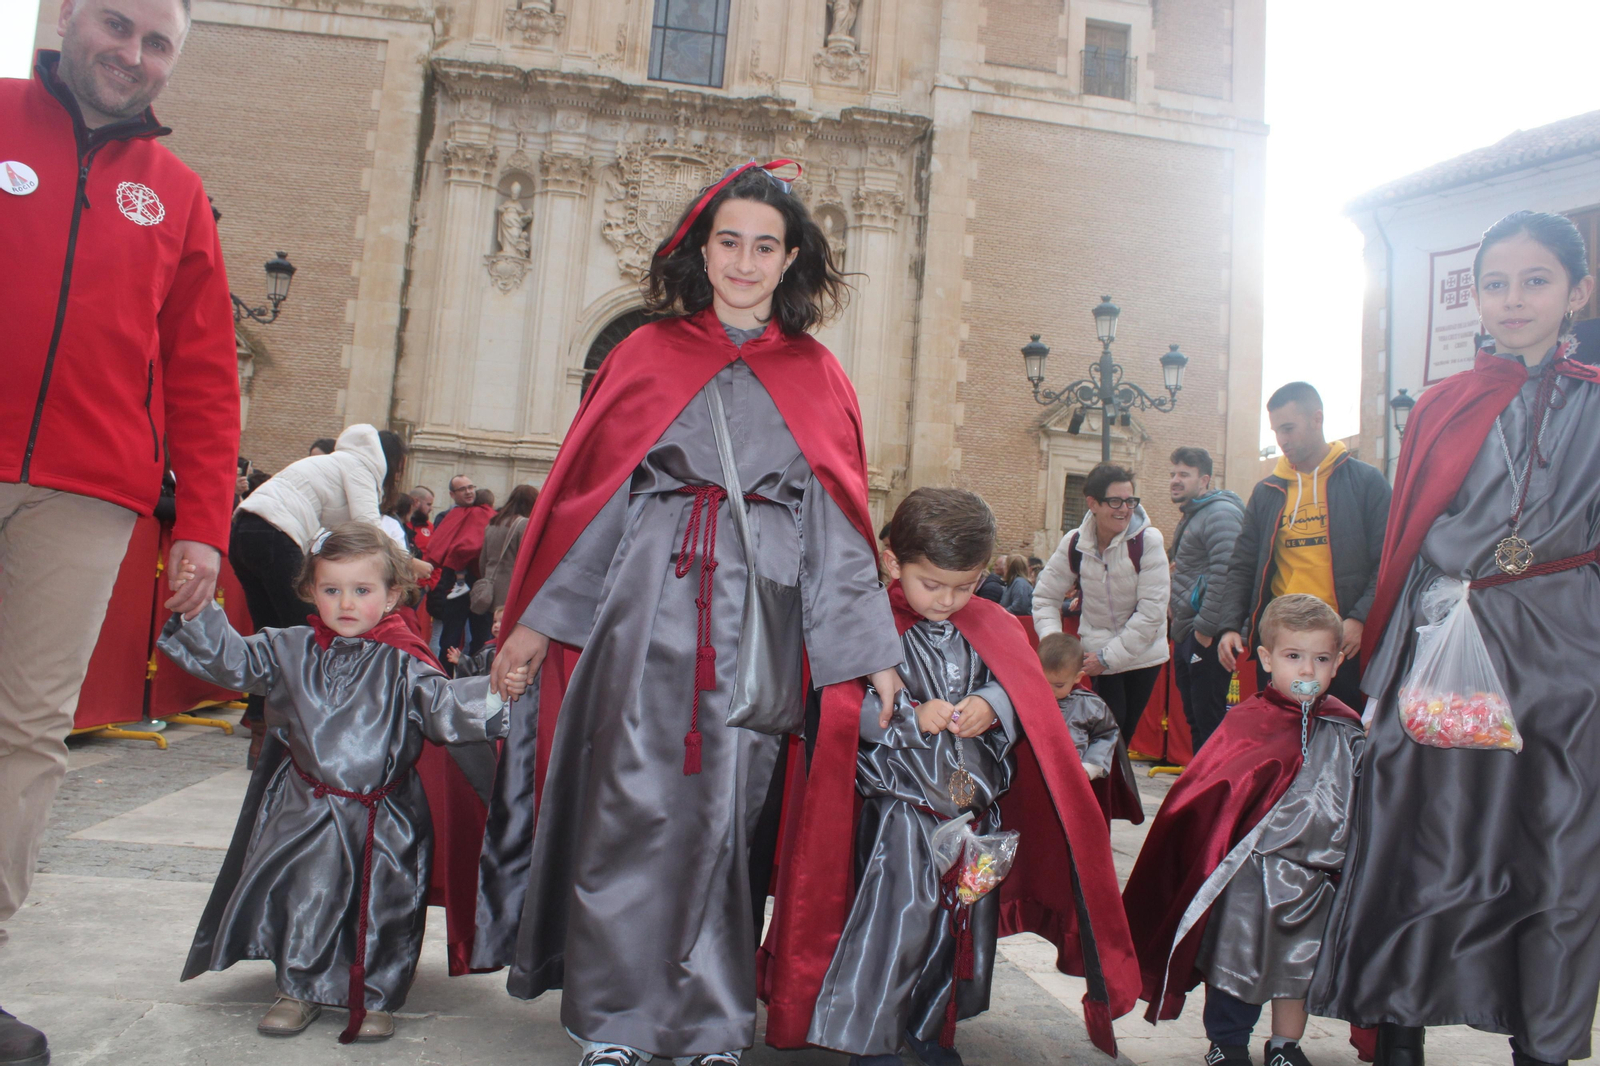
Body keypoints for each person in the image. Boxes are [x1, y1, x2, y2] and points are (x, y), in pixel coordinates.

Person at [477, 159, 911, 1066]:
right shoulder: (646, 353)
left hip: (760, 619)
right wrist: (534, 621)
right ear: (701, 249)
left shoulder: (820, 375)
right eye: (730, 243)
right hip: (645, 607)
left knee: (727, 821)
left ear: (791, 258)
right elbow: (594, 505)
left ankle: (711, 1021)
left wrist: (871, 649)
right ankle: (612, 1019)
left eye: (765, 246)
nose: (745, 263)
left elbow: (835, 520)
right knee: (628, 807)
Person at [1, 0, 240, 1057]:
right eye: (116, 25)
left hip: (90, 494)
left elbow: (202, 370)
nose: (131, 54)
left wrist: (205, 523)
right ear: (63, 21)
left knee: (23, 737)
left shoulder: (180, 196)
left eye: (156, 44)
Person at [1308, 211, 1600, 1066]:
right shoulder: (1440, 405)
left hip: (1566, 659)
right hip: (1444, 651)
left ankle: (1539, 1046)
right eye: (1496, 283)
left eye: (1536, 280)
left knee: (1554, 850)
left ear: (1577, 291)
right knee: (1417, 838)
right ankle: (1399, 1034)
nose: (1514, 299)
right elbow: (1408, 540)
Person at [157, 523, 529, 1043]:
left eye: (362, 590)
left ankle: (374, 995)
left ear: (392, 595)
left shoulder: (404, 661)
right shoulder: (288, 648)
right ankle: (299, 988)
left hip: (386, 813)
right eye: (331, 590)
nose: (346, 603)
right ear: (310, 590)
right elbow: (234, 661)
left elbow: (446, 710)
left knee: (385, 904)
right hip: (305, 807)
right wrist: (198, 613)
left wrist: (499, 693)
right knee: (304, 895)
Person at [807, 489, 1138, 1065]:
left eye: (965, 585)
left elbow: (1025, 688)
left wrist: (996, 702)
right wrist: (909, 717)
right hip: (900, 809)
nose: (947, 600)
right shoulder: (869, 623)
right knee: (896, 921)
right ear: (893, 563)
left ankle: (932, 1029)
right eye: (931, 584)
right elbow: (839, 705)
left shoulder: (993, 624)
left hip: (975, 812)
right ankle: (872, 1037)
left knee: (956, 924)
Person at [1124, 595, 1364, 1066]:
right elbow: (1205, 793)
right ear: (1268, 659)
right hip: (1250, 879)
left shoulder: (1346, 727)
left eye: (1320, 659)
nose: (1307, 671)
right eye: (1294, 657)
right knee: (1236, 965)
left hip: (1316, 879)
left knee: (1299, 967)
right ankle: (1227, 1043)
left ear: (1338, 662)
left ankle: (1285, 1046)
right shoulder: (1247, 723)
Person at [229, 424, 408, 760]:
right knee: (307, 637)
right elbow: (369, 528)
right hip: (275, 532)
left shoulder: (333, 464)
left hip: (244, 528)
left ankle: (262, 732)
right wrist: (408, 565)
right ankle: (308, 730)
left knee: (273, 637)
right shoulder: (358, 466)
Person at [1212, 384, 1390, 711]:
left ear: (1317, 419)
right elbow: (1242, 565)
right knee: (1282, 737)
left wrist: (1360, 618)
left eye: (1288, 428)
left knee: (1341, 734)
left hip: (1342, 642)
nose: (1281, 439)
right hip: (1282, 641)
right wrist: (1228, 626)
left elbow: (1388, 562)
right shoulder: (1266, 491)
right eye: (1277, 430)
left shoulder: (1366, 482)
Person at [1032, 463, 1171, 740]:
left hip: (1143, 653)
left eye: (1130, 501)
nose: (1124, 509)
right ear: (1092, 504)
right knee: (1108, 729)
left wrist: (1108, 657)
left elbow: (1151, 612)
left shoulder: (1148, 541)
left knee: (1123, 734)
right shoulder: (1074, 542)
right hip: (1096, 652)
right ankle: (1100, 782)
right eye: (1115, 501)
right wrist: (1056, 645)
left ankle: (1113, 783)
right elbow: (1045, 597)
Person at [1166, 446, 1245, 751]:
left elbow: (1227, 572)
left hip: (1204, 634)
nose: (1175, 479)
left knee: (1210, 727)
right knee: (1198, 724)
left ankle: (1217, 796)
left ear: (1204, 480)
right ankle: (1202, 794)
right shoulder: (1195, 515)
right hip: (1189, 631)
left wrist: (1206, 628)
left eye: (1184, 474)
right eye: (1173, 473)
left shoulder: (1220, 513)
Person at [1037, 632, 1141, 825]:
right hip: (1038, 780)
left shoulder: (1090, 705)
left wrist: (1090, 767)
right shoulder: (1029, 700)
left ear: (1078, 677)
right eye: (1044, 683)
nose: (1050, 691)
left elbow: (1107, 735)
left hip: (1076, 780)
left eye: (1059, 685)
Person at [424, 484, 493, 660]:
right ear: (453, 494)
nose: (468, 491)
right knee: (479, 635)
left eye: (471, 487)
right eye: (464, 489)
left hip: (456, 580)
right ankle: (477, 674)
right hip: (480, 580)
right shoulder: (491, 517)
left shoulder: (452, 516)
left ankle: (445, 675)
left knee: (450, 636)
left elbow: (448, 547)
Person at [479, 484, 536, 615]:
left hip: (491, 589)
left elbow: (483, 560)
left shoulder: (493, 524)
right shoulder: (524, 525)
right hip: (513, 591)